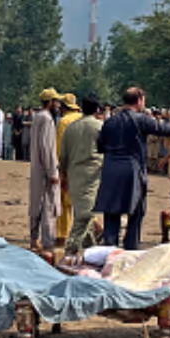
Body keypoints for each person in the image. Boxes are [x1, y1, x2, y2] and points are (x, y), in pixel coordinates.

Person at [95, 87, 170, 250]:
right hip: (132, 170)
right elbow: (169, 131)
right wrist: (167, 118)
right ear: (139, 100)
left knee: (111, 213)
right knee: (136, 212)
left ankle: (108, 251)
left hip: (111, 169)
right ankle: (130, 249)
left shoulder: (109, 121)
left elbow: (100, 146)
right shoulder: (141, 119)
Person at [60, 94, 105, 254]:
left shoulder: (71, 127)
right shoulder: (100, 127)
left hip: (74, 174)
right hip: (92, 175)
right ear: (97, 109)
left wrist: (63, 177)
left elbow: (63, 156)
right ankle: (71, 248)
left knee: (82, 211)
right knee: (85, 215)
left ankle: (90, 249)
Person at [27, 89, 62, 254]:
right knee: (48, 206)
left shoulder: (37, 117)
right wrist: (52, 172)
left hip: (36, 167)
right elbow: (47, 148)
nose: (58, 105)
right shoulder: (47, 119)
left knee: (36, 204)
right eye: (56, 101)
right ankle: (47, 243)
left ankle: (34, 239)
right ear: (50, 102)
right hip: (45, 169)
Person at [54, 94, 83, 248]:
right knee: (81, 202)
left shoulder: (63, 122)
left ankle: (62, 235)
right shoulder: (84, 119)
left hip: (70, 166)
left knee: (64, 203)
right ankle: (93, 229)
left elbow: (60, 149)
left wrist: (61, 171)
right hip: (84, 167)